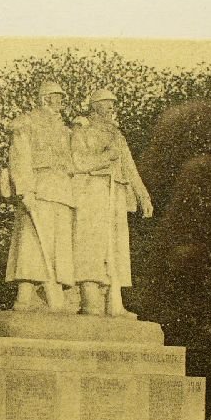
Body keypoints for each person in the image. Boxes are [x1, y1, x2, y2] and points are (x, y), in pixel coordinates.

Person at [70, 88, 153, 317]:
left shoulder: (117, 134)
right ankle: (89, 299)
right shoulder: (82, 128)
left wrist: (142, 195)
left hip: (116, 191)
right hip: (92, 191)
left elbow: (129, 167)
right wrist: (106, 157)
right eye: (106, 103)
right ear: (94, 105)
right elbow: (78, 161)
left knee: (115, 246)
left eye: (112, 103)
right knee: (91, 243)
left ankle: (114, 302)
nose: (111, 107)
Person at [5, 80, 76, 313]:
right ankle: (24, 295)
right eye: (56, 97)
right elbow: (20, 155)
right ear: (45, 98)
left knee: (57, 244)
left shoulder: (65, 129)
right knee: (32, 241)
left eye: (61, 98)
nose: (60, 102)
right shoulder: (28, 122)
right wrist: (25, 189)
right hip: (40, 186)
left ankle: (52, 290)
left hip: (63, 190)